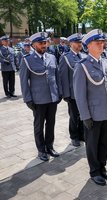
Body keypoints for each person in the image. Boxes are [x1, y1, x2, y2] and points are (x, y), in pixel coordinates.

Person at [73, 29, 107, 186]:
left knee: (105, 142)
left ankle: (103, 167)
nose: (102, 46)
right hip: (93, 113)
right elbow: (80, 94)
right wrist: (85, 116)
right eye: (98, 43)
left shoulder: (106, 62)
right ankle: (94, 171)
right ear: (89, 46)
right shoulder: (82, 66)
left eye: (103, 43)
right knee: (92, 144)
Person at [19, 32, 62, 161]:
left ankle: (50, 146)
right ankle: (41, 150)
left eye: (45, 43)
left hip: (52, 98)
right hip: (38, 99)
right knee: (38, 125)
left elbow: (57, 76)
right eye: (41, 43)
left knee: (51, 124)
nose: (44, 45)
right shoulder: (27, 60)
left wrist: (59, 92)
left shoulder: (52, 57)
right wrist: (28, 99)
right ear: (33, 45)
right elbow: (23, 81)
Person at [59, 33, 85, 147]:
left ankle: (81, 134)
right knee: (74, 116)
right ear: (71, 43)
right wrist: (66, 94)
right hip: (73, 93)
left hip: (83, 92)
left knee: (83, 114)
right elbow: (63, 76)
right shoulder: (66, 57)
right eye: (77, 42)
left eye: (80, 42)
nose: (80, 44)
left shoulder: (83, 56)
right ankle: (74, 136)